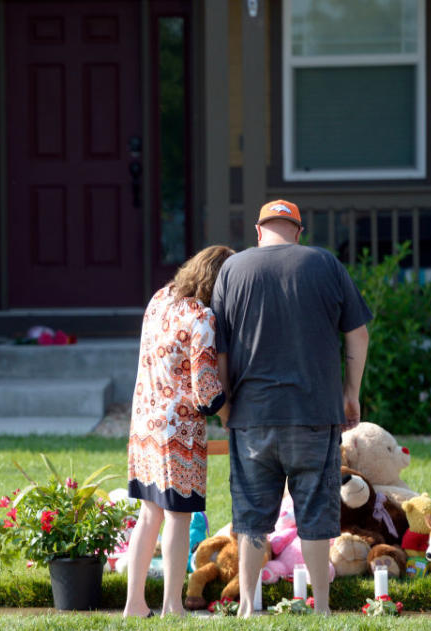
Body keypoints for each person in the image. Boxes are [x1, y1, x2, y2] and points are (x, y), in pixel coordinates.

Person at [211, 200, 371, 617]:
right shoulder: (325, 264)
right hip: (314, 415)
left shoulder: (234, 269)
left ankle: (248, 606)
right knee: (316, 512)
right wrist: (350, 392)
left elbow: (220, 351)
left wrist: (226, 407)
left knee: (251, 516)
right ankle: (321, 609)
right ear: (298, 231)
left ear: (258, 231)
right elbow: (358, 334)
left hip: (252, 416)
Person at [123, 245, 234, 618]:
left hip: (144, 423)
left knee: (148, 515)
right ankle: (173, 605)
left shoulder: (159, 299)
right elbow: (205, 389)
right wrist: (229, 409)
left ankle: (134, 604)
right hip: (180, 433)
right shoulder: (202, 316)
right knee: (178, 517)